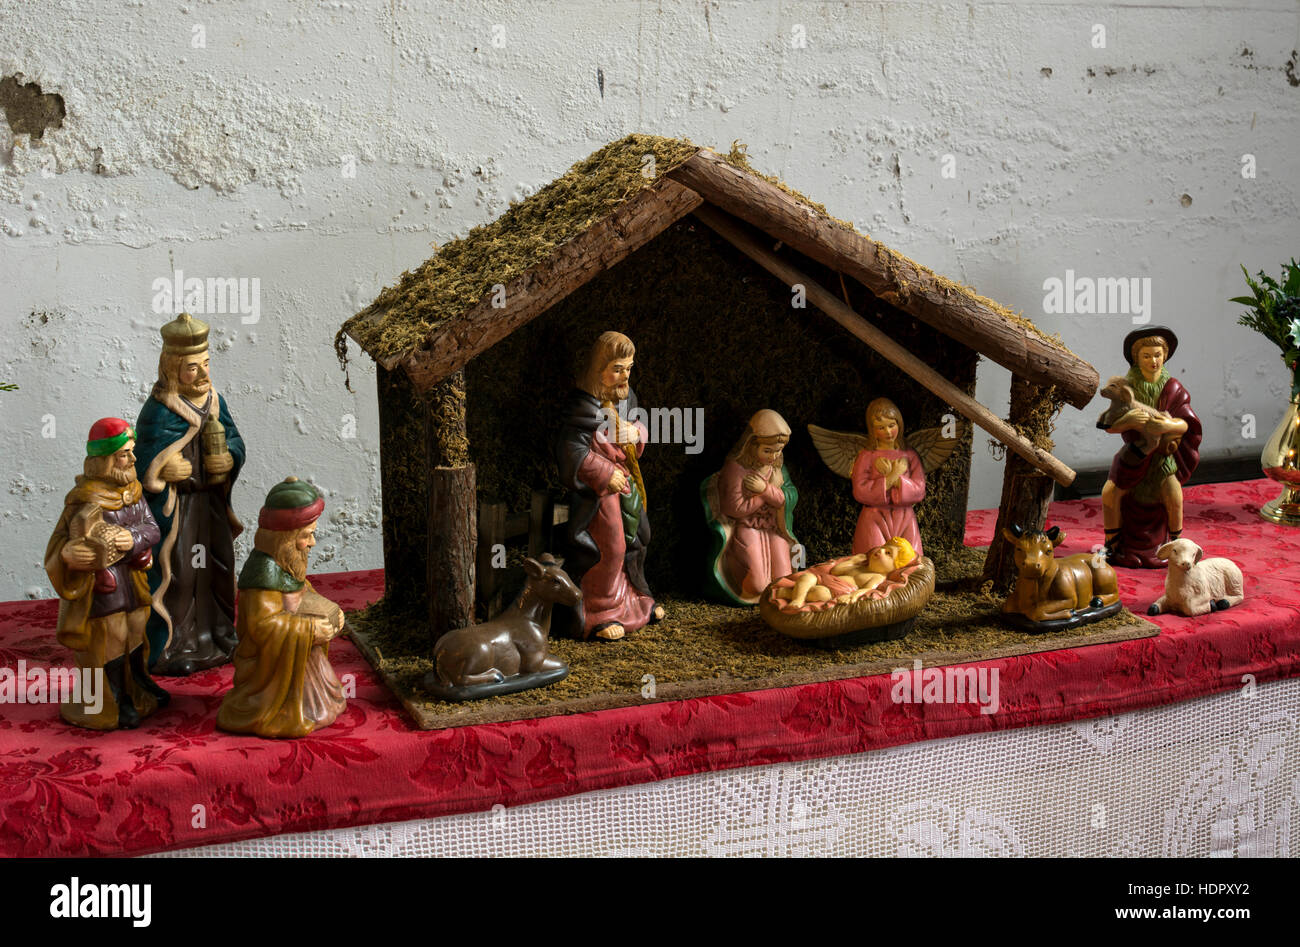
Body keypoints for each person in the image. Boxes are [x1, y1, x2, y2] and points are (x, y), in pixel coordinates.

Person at [135, 312, 246, 674]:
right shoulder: (158, 409)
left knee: (216, 565)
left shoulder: (215, 401)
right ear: (172, 369)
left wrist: (229, 457)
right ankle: (175, 643)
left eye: (206, 365)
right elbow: (140, 461)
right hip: (179, 511)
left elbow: (234, 439)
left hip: (210, 505)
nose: (203, 374)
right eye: (192, 368)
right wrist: (162, 469)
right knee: (180, 573)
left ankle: (219, 633)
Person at [44, 419, 169, 728]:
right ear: (106, 459)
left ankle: (138, 683)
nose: (134, 459)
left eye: (131, 452)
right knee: (113, 635)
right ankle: (115, 698)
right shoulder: (84, 498)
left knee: (137, 629)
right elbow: (61, 543)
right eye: (126, 454)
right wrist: (69, 554)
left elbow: (152, 529)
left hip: (134, 579)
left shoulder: (134, 490)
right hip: (105, 585)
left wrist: (133, 539)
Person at [555, 331, 665, 640]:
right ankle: (599, 611)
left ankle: (635, 601)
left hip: (626, 481)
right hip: (598, 492)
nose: (624, 375)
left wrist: (636, 433)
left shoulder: (626, 398)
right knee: (610, 546)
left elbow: (636, 425)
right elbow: (572, 451)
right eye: (617, 368)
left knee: (636, 539)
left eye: (629, 368)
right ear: (599, 367)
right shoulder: (581, 407)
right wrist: (604, 473)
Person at [217, 477, 346, 738]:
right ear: (285, 537)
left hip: (303, 663)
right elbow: (263, 626)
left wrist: (328, 610)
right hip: (271, 674)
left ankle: (313, 701)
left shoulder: (288, 560)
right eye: (306, 535)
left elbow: (300, 591)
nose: (311, 543)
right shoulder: (262, 575)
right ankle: (283, 709)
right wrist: (311, 629)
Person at [1099, 327, 1202, 568]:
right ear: (1137, 358)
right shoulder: (1127, 387)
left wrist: (1168, 423)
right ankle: (1111, 546)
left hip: (1161, 459)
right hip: (1134, 453)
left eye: (1157, 355)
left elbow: (1187, 424)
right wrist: (1129, 422)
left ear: (1165, 355)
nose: (1153, 361)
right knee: (1110, 492)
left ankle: (1177, 544)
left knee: (1174, 495)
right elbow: (1108, 425)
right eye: (1147, 356)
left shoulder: (1173, 388)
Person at [703, 409, 798, 603]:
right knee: (757, 586)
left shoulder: (777, 467)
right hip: (746, 528)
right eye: (767, 450)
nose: (773, 456)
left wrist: (764, 489)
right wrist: (768, 493)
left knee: (784, 580)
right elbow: (735, 508)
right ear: (751, 445)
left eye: (779, 450)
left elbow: (786, 498)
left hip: (773, 529)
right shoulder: (735, 469)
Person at [850, 397, 926, 556]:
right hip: (874, 517)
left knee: (909, 560)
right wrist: (891, 476)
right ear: (872, 430)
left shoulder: (909, 456)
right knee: (874, 559)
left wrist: (899, 480)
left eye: (892, 425)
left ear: (899, 424)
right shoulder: (866, 456)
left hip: (905, 517)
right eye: (881, 427)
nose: (888, 432)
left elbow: (919, 490)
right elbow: (860, 491)